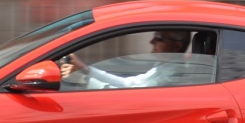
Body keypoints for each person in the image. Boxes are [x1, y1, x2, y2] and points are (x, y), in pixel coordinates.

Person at [60, 30, 191, 89]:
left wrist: (84, 81)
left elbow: (128, 97)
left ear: (177, 45)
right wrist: (86, 70)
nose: (152, 41)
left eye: (159, 37)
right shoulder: (165, 67)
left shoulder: (170, 75)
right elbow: (127, 84)